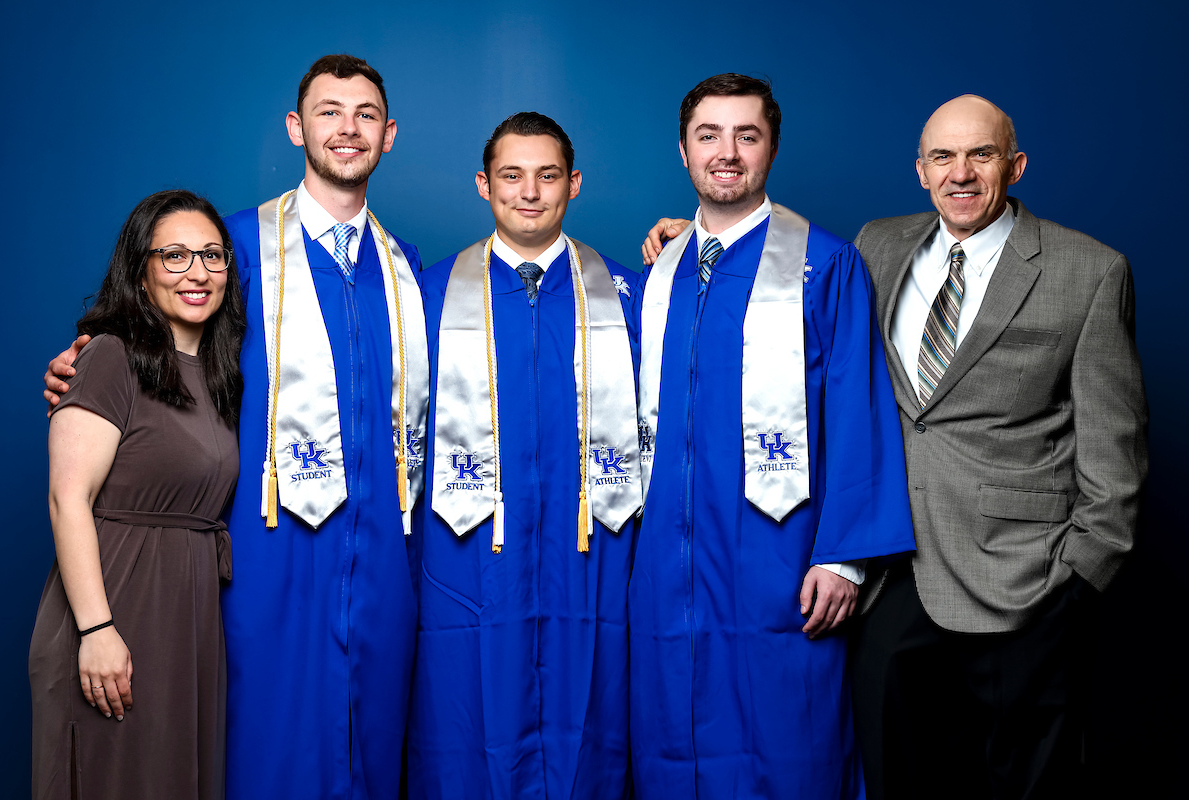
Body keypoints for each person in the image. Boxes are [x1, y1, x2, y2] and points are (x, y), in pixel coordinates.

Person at [44, 55, 427, 799]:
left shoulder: (407, 269)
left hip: (380, 555)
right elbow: (147, 334)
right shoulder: (237, 250)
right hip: (265, 550)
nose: (347, 129)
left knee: (374, 744)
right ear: (296, 127)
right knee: (258, 747)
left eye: (366, 115)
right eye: (328, 111)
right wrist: (82, 358)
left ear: (388, 138)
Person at [844, 95, 1148, 800]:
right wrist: (701, 241)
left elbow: (1116, 448)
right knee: (896, 775)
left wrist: (1075, 579)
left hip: (1028, 584)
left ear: (1015, 166)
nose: (961, 173)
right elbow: (798, 304)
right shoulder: (876, 245)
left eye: (980, 155)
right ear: (921, 171)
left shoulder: (1090, 270)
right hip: (898, 573)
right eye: (943, 157)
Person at [629, 74, 915, 799]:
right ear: (684, 150)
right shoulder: (659, 273)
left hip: (779, 557)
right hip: (669, 555)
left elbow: (860, 408)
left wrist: (846, 559)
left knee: (790, 745)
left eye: (746, 136)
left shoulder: (825, 266)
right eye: (709, 136)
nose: (727, 153)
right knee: (672, 736)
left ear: (772, 148)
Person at [409, 112, 642, 798]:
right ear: (485, 185)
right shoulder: (427, 293)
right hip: (468, 557)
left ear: (574, 183)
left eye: (548, 176)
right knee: (464, 726)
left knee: (594, 725)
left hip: (590, 555)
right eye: (512, 176)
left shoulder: (629, 293)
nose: (530, 192)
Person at [30, 190, 244, 800]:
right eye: (173, 256)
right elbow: (66, 498)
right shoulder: (107, 357)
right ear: (140, 269)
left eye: (211, 255)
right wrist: (96, 628)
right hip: (117, 603)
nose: (197, 272)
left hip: (191, 618)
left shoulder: (225, 374)